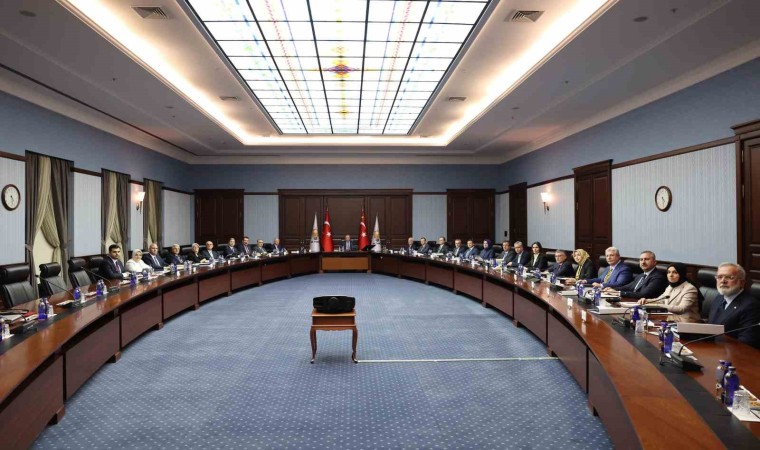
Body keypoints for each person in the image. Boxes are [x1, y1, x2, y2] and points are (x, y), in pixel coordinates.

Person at [708, 263, 760, 348]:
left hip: (733, 352)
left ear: (741, 282)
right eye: (719, 277)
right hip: (712, 348)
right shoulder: (718, 298)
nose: (723, 281)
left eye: (729, 277)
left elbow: (747, 342)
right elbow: (711, 327)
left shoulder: (750, 306)